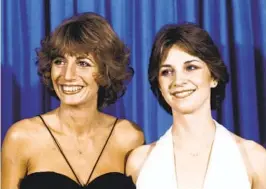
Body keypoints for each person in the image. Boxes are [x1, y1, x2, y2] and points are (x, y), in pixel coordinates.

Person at [2, 12, 144, 189]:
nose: (67, 75)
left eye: (83, 63)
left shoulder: (129, 138)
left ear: (105, 71)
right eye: (59, 61)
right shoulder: (21, 137)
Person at [126, 23, 266, 189]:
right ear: (158, 84)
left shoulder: (254, 158)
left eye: (190, 67)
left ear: (213, 76)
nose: (178, 81)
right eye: (167, 71)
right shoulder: (139, 162)